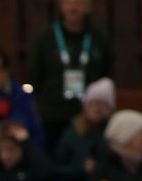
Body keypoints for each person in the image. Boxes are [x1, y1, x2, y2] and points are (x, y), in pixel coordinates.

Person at [27, 0, 112, 149]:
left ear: (89, 7)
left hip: (88, 116)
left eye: (79, 3)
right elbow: (34, 77)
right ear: (61, 5)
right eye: (69, 2)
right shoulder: (45, 37)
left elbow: (105, 75)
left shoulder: (99, 38)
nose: (74, 7)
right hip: (51, 114)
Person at [53, 78, 114, 181]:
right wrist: (81, 169)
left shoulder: (112, 134)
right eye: (94, 103)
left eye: (103, 104)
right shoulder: (72, 132)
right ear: (86, 105)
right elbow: (57, 168)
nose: (98, 108)